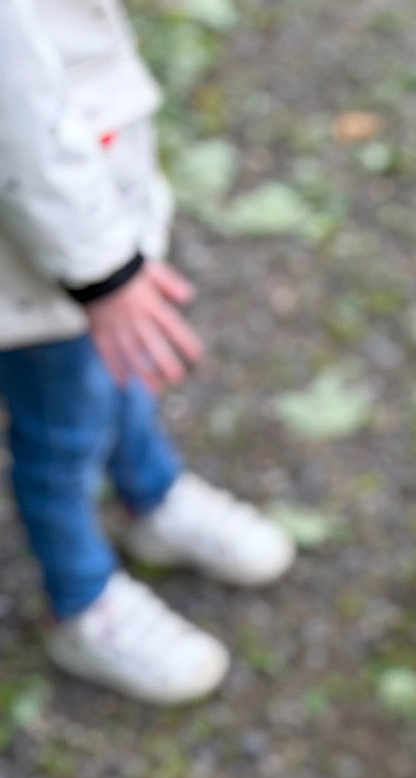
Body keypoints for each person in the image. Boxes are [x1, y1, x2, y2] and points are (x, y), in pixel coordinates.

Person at [0, 0, 296, 705]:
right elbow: (18, 123)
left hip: (87, 208)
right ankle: (82, 599)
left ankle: (151, 494)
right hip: (45, 259)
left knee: (118, 375)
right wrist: (104, 274)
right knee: (61, 429)